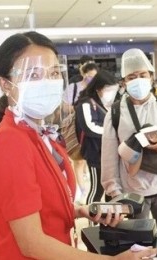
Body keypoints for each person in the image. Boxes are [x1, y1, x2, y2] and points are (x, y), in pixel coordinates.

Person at [0, 31, 157, 260]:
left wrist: (80, 210)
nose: (46, 82)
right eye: (33, 75)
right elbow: (32, 244)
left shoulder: (38, 135)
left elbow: (42, 208)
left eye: (54, 72)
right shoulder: (10, 143)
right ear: (5, 84)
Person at [101, 48, 157, 241]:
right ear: (124, 82)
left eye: (142, 75)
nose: (138, 80)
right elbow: (108, 158)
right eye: (132, 77)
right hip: (132, 192)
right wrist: (115, 193)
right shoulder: (115, 113)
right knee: (137, 243)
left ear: (151, 77)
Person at [75, 70, 119, 206]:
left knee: (110, 189)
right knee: (97, 190)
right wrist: (111, 133)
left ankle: (108, 221)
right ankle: (92, 221)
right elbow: (89, 127)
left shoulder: (106, 104)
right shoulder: (86, 104)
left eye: (114, 89)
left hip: (109, 154)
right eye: (109, 89)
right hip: (95, 154)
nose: (112, 93)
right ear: (99, 88)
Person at [62, 62, 98, 204]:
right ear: (83, 74)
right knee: (79, 160)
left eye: (94, 77)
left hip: (92, 128)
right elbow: (64, 106)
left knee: (91, 160)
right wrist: (79, 109)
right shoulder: (74, 87)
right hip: (77, 127)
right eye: (90, 76)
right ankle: (83, 191)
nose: (91, 79)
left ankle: (89, 188)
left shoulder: (96, 89)